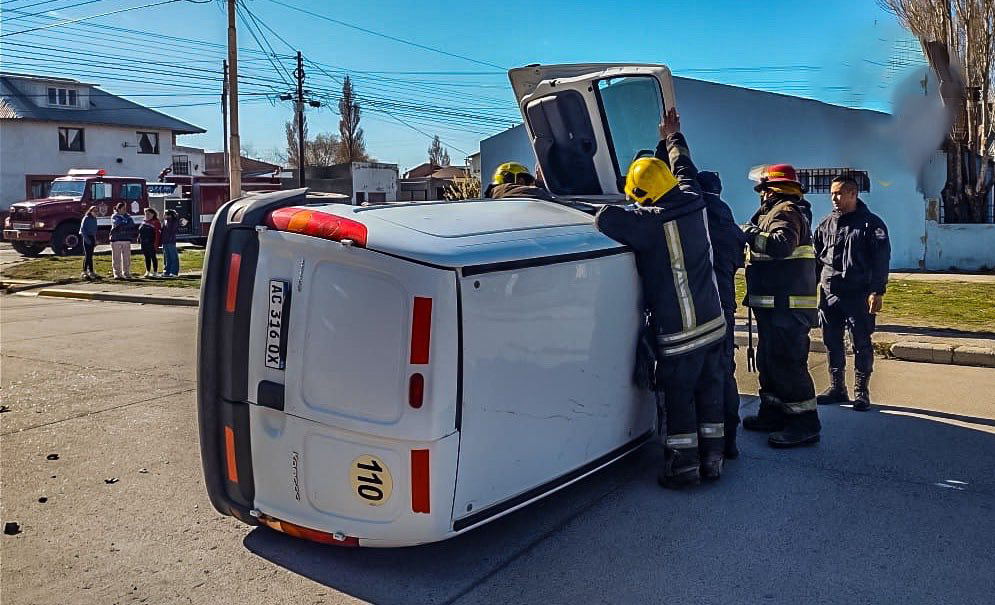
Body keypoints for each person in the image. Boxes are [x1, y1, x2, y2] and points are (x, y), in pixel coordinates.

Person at [596, 107, 727, 488]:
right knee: (711, 395)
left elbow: (606, 218)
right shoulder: (693, 196)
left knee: (681, 400)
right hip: (714, 325)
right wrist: (672, 137)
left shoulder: (649, 223)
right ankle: (713, 460)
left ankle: (683, 467)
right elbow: (683, 165)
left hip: (681, 334)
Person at [740, 164, 821, 448]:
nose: (760, 195)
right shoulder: (777, 212)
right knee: (770, 362)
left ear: (771, 190)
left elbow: (780, 246)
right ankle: (773, 412)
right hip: (776, 307)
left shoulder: (785, 212)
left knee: (788, 364)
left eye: (762, 189)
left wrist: (749, 233)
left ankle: (804, 422)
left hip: (787, 308)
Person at [813, 176, 891, 411]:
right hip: (830, 294)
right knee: (831, 342)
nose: (834, 198)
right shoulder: (825, 224)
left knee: (861, 343)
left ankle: (861, 392)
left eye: (839, 193)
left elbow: (881, 260)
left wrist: (877, 291)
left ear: (853, 194)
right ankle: (837, 388)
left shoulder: (870, 224)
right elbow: (817, 259)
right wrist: (810, 287)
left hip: (858, 294)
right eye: (832, 194)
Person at [697, 171, 748, 458]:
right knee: (724, 370)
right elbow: (738, 258)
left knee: (699, 373)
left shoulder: (696, 214)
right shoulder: (727, 218)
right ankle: (729, 441)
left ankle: (704, 443)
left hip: (700, 304)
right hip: (725, 303)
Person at [484, 162, 553, 200]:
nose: (526, 184)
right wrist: (541, 184)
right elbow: (537, 193)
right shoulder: (501, 190)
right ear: (508, 178)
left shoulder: (498, 194)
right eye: (523, 180)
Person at [109, 202, 135, 279]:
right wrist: (125, 223)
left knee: (127, 257)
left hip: (126, 239)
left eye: (125, 208)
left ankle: (126, 273)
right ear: (119, 209)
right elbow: (117, 224)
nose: (125, 210)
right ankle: (117, 273)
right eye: (123, 208)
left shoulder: (128, 217)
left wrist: (124, 223)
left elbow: (131, 225)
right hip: (116, 239)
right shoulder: (114, 216)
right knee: (116, 257)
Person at [138, 208, 162, 278]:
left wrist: (156, 244)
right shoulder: (144, 222)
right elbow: (140, 231)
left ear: (153, 214)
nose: (147, 215)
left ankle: (155, 272)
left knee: (153, 257)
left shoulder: (156, 222)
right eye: (146, 214)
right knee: (146, 257)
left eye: (148, 214)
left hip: (151, 243)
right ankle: (147, 271)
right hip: (144, 243)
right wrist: (139, 238)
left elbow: (158, 234)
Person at [79, 206, 99, 280]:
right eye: (94, 211)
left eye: (97, 211)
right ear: (90, 211)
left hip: (92, 238)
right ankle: (85, 271)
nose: (96, 213)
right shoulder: (86, 218)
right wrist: (87, 240)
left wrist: (95, 240)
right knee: (88, 255)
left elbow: (94, 231)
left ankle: (91, 271)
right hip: (86, 237)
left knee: (90, 255)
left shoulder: (94, 219)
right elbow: (82, 230)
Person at [161, 209, 180, 278]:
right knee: (167, 257)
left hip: (170, 241)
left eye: (165, 214)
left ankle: (174, 271)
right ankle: (167, 271)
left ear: (169, 215)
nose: (164, 216)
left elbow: (172, 231)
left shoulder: (173, 221)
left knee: (173, 257)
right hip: (165, 241)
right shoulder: (165, 221)